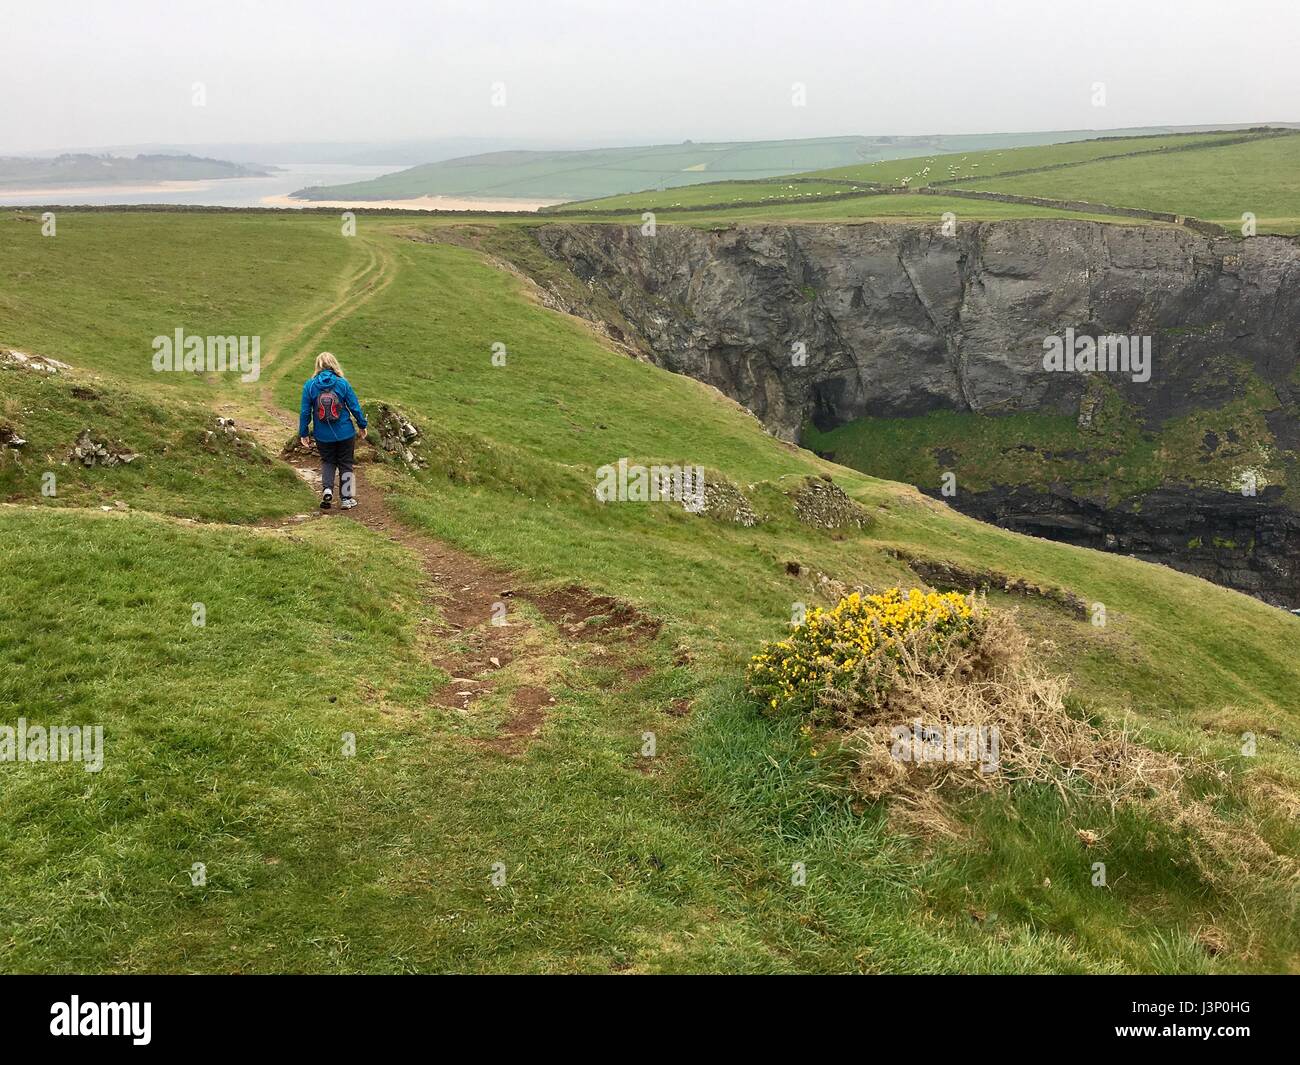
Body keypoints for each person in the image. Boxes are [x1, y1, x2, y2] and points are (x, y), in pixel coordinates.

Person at [299, 352, 368, 510]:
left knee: (328, 462)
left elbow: (305, 412)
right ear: (334, 364)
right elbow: (354, 407)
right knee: (346, 463)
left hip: (323, 435)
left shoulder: (309, 386)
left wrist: (303, 433)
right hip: (345, 432)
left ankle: (327, 489)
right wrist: (362, 425)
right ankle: (346, 498)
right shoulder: (342, 383)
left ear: (318, 366)